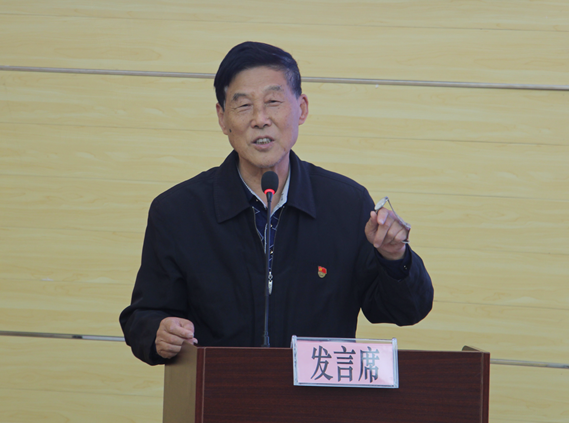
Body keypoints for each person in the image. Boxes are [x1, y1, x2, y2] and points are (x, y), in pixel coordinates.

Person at [120, 41, 433, 365]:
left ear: (302, 108)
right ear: (222, 118)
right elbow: (142, 316)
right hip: (218, 391)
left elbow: (405, 310)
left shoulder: (345, 204)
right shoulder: (178, 212)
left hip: (320, 394)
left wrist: (394, 258)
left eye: (273, 102)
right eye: (243, 105)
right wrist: (158, 332)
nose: (260, 119)